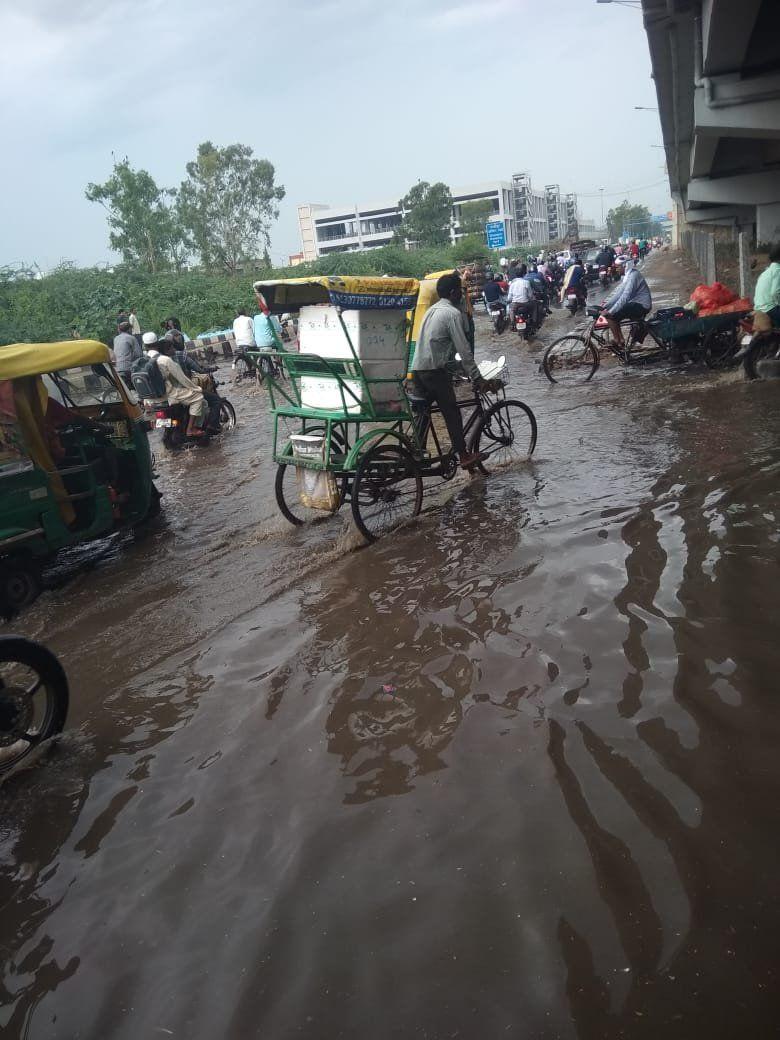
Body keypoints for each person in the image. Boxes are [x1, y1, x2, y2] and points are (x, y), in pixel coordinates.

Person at [411, 272, 492, 470]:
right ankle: (464, 455)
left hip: (418, 369)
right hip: (434, 371)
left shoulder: (432, 310)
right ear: (454, 293)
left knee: (423, 412)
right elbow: (464, 350)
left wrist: (457, 369)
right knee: (452, 413)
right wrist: (477, 377)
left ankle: (416, 452)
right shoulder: (452, 314)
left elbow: (436, 345)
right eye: (461, 292)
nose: (463, 296)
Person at [155, 338, 210, 438]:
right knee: (198, 397)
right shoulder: (168, 361)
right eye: (172, 348)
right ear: (167, 350)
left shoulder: (157, 360)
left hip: (162, 396)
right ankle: (191, 429)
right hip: (173, 393)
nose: (174, 350)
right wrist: (197, 388)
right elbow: (183, 379)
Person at [168, 330, 222, 433]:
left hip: (169, 395)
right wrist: (211, 369)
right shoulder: (181, 356)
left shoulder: (159, 359)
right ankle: (210, 427)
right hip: (184, 391)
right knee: (215, 400)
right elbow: (199, 369)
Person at [600, 259, 652, 347]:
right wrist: (606, 306)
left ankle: (618, 340)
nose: (616, 269)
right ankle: (620, 341)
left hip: (642, 305)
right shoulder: (629, 275)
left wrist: (610, 311)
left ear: (625, 266)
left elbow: (625, 296)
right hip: (635, 303)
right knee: (613, 314)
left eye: (617, 267)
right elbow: (619, 294)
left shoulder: (633, 276)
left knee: (610, 316)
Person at [752, 243, 780, 326]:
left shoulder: (766, 272)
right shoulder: (778, 271)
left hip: (759, 308)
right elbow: (775, 292)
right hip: (770, 309)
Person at [113, 318, 142, 390]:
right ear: (129, 329)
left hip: (118, 368)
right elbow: (139, 354)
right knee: (139, 385)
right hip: (128, 368)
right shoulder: (131, 338)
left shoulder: (116, 338)